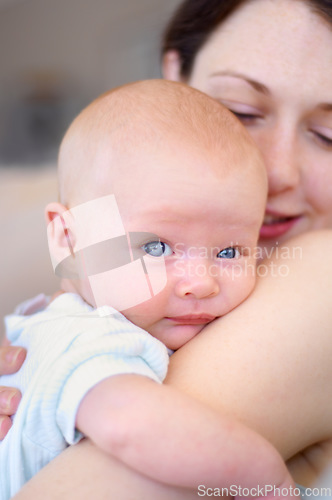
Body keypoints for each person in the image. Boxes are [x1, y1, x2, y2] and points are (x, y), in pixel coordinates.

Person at [1, 0, 332, 497]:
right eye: (239, 113)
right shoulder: (87, 317)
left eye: (330, 136)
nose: (276, 173)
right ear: (175, 72)